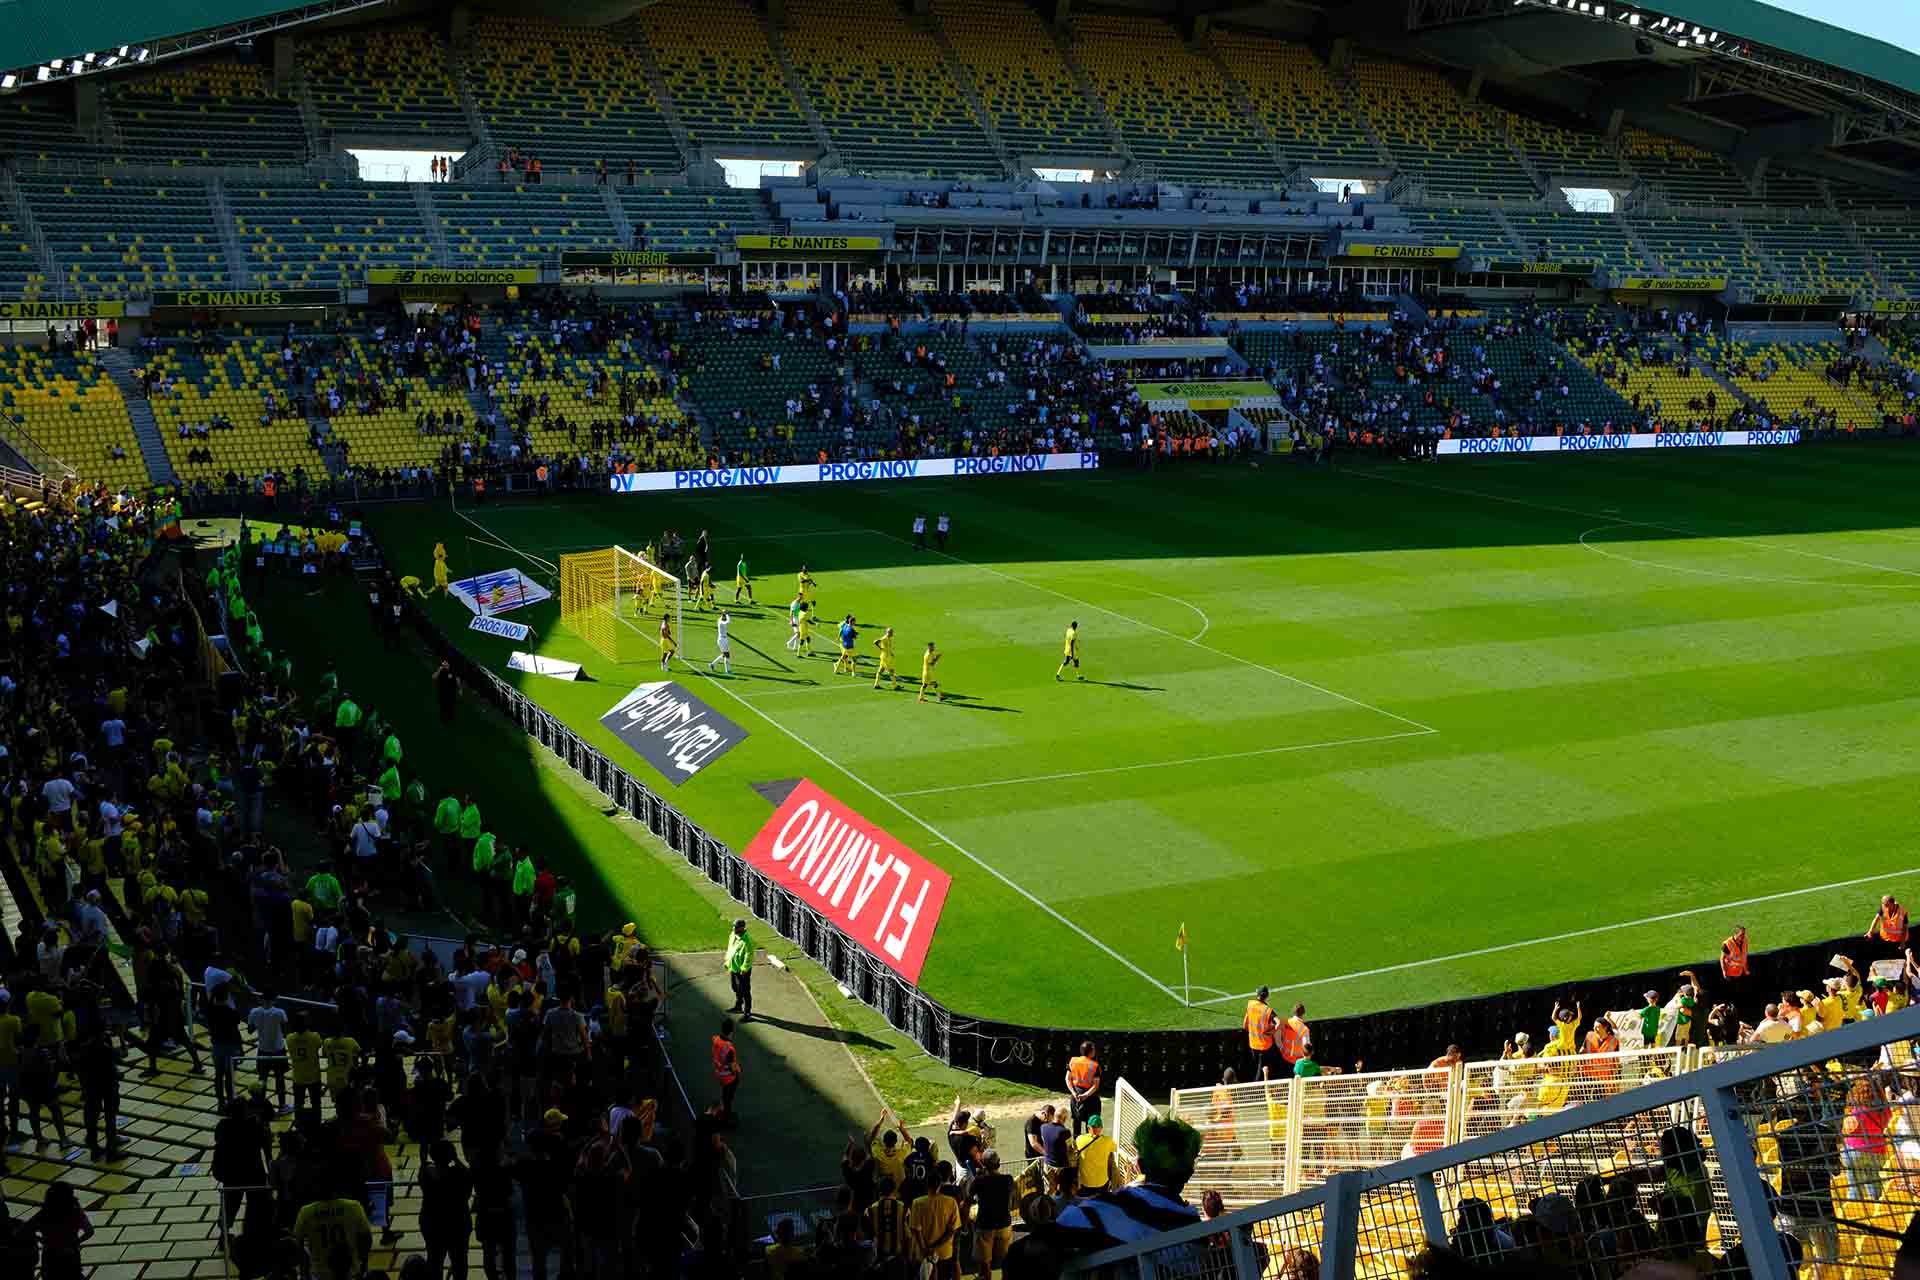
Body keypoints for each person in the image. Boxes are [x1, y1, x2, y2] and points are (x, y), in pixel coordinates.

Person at [1054, 1116, 1204, 1250]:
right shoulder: (1196, 1231)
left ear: (1140, 1166)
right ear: (1188, 1174)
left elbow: (1053, 1234)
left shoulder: (1103, 1208)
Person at [420, 1139, 474, 1280]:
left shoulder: (427, 1173)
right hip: (458, 1225)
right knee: (460, 1263)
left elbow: (425, 1164)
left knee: (434, 1261)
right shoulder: (460, 1175)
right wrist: (455, 1158)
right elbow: (468, 1180)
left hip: (433, 1225)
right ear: (452, 1155)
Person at [292, 1189, 372, 1280]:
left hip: (319, 1272)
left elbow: (297, 1244)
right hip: (351, 1270)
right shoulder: (353, 1207)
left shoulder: (306, 1212)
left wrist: (304, 1270)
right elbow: (366, 1238)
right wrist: (363, 1262)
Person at [968, 1149, 1015, 1275]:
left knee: (985, 1262)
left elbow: (968, 1199)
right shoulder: (1008, 1180)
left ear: (983, 1163)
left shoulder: (979, 1181)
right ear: (998, 1163)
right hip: (1004, 1223)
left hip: (985, 1225)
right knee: (1006, 1260)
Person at [32, 1183, 93, 1280]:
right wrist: (76, 1242)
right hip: (71, 1254)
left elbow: (28, 1229)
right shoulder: (76, 1212)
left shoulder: (45, 1213)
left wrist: (42, 1240)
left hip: (50, 1255)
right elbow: (90, 1231)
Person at [908, 1170, 961, 1280]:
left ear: (927, 1184)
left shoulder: (917, 1203)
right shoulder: (951, 1202)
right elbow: (952, 1230)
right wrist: (935, 1247)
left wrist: (925, 1249)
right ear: (940, 1184)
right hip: (944, 1252)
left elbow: (915, 1230)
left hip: (923, 1253)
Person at [1074, 1115, 1118, 1196]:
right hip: (1102, 1181)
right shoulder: (1108, 1141)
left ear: (1088, 1127)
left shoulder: (1079, 1139)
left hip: (1086, 1182)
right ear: (1101, 1128)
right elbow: (1114, 1150)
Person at [1065, 1040, 1101, 1135]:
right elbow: (1095, 1085)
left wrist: (1073, 1092)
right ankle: (1089, 1144)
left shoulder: (1073, 1061)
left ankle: (1076, 1144)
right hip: (1090, 1097)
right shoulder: (1095, 1065)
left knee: (1076, 1121)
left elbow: (1068, 1079)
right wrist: (1085, 1095)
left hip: (1076, 1095)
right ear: (1091, 1051)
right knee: (1091, 1122)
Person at [1244, 985, 1280, 1081]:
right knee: (1262, 1072)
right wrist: (1271, 1032)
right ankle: (1260, 1090)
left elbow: (1245, 1025)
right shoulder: (1267, 1010)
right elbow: (1278, 1023)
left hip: (1253, 1044)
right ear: (1267, 996)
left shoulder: (1250, 1005)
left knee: (1258, 1069)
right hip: (1265, 1046)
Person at [712, 1017, 742, 1123]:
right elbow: (732, 1068)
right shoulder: (729, 1049)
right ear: (732, 1031)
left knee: (725, 1095)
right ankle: (725, 1117)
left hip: (719, 1073)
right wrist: (738, 1070)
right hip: (728, 1078)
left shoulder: (716, 1039)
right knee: (727, 1098)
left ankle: (722, 1110)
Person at [724, 917, 753, 1018]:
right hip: (733, 967)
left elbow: (749, 955)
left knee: (745, 991)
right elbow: (730, 949)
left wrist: (744, 968)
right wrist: (727, 961)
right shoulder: (732, 935)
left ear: (741, 928)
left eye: (735, 927)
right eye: (733, 926)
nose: (733, 928)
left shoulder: (747, 941)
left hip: (742, 970)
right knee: (735, 987)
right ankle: (738, 1006)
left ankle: (747, 1013)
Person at [1280, 1003, 1311, 1071]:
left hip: (1285, 1056)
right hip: (1297, 1062)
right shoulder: (1304, 1029)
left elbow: (1280, 1037)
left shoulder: (1286, 1022)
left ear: (1293, 1012)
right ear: (1303, 1014)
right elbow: (1306, 1048)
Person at [872, 626, 898, 691]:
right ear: (887, 632)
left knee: (881, 670)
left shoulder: (889, 638)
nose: (892, 633)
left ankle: (876, 684)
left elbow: (888, 647)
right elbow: (875, 642)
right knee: (891, 671)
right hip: (885, 658)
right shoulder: (884, 638)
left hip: (885, 656)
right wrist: (880, 648)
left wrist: (891, 653)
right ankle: (895, 686)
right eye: (891, 632)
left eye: (892, 632)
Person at [708, 609, 732, 675]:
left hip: (724, 639)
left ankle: (712, 664)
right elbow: (728, 622)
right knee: (727, 655)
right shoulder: (721, 621)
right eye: (725, 615)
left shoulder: (722, 619)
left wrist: (727, 614)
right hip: (722, 640)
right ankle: (728, 670)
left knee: (724, 654)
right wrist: (727, 615)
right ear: (722, 615)